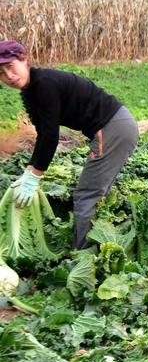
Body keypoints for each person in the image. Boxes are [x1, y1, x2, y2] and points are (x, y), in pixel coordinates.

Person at [0, 40, 138, 250]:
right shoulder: (31, 90)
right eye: (1, 73)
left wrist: (34, 176)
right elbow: (43, 134)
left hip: (112, 128)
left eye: (10, 67)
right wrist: (30, 170)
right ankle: (105, 245)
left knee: (86, 195)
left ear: (24, 60)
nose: (8, 76)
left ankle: (83, 256)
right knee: (97, 192)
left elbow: (50, 137)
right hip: (115, 126)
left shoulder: (44, 84)